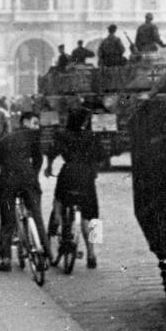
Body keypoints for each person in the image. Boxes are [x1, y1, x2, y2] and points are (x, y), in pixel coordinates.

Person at [0, 110, 49, 272]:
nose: (37, 127)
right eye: (35, 123)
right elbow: (38, 159)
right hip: (28, 181)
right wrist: (33, 175)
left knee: (7, 221)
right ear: (25, 122)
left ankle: (6, 259)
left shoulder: (5, 139)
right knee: (36, 215)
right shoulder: (33, 137)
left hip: (7, 182)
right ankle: (46, 251)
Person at [44, 108, 104, 269]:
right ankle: (92, 254)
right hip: (86, 176)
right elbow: (101, 155)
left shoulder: (62, 135)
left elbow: (52, 152)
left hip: (68, 172)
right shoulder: (91, 136)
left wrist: (48, 167)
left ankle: (56, 218)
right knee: (92, 216)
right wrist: (94, 169)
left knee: (59, 198)